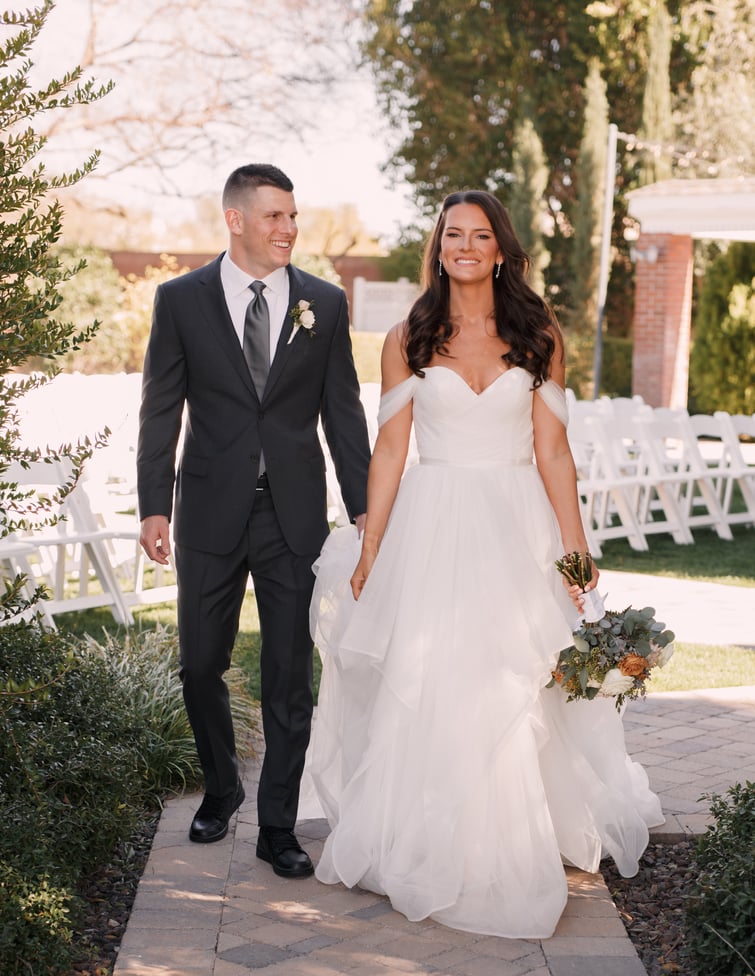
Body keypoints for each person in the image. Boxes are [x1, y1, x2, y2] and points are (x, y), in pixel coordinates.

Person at [306, 190, 664, 937]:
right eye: (450, 236)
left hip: (513, 527)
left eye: (478, 236)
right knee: (432, 680)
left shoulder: (537, 335)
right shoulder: (407, 334)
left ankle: (513, 839)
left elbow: (553, 453)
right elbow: (391, 450)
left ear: (500, 249)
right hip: (430, 525)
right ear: (437, 248)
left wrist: (576, 557)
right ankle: (429, 839)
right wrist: (370, 548)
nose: (463, 246)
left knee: (512, 680)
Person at [137, 163, 371, 878]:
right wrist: (154, 505)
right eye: (274, 216)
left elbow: (343, 411)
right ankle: (222, 786)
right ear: (235, 220)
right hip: (208, 509)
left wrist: (363, 508)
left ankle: (276, 826)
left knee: (287, 674)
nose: (289, 229)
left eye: (293, 216)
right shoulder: (180, 300)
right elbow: (160, 408)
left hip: (291, 516)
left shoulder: (323, 305)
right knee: (199, 662)